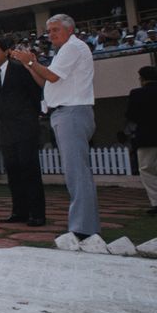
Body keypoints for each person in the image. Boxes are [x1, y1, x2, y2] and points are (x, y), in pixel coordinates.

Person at [12, 13, 100, 247]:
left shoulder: (73, 48)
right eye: (49, 31)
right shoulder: (66, 50)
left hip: (71, 112)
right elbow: (45, 81)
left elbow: (49, 75)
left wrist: (30, 61)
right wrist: (28, 63)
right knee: (75, 171)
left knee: (76, 172)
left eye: (55, 30)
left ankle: (83, 228)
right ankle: (83, 225)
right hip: (65, 112)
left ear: (69, 30)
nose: (50, 35)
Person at [0, 38, 46, 226]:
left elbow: (35, 93)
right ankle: (19, 212)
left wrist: (32, 117)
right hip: (5, 132)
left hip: (25, 128)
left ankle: (37, 214)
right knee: (13, 173)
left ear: (6, 52)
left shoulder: (20, 69)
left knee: (30, 171)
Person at [125, 66, 157, 215]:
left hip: (147, 136)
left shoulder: (137, 94)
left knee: (147, 169)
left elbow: (131, 114)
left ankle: (156, 201)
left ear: (142, 79)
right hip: (148, 135)